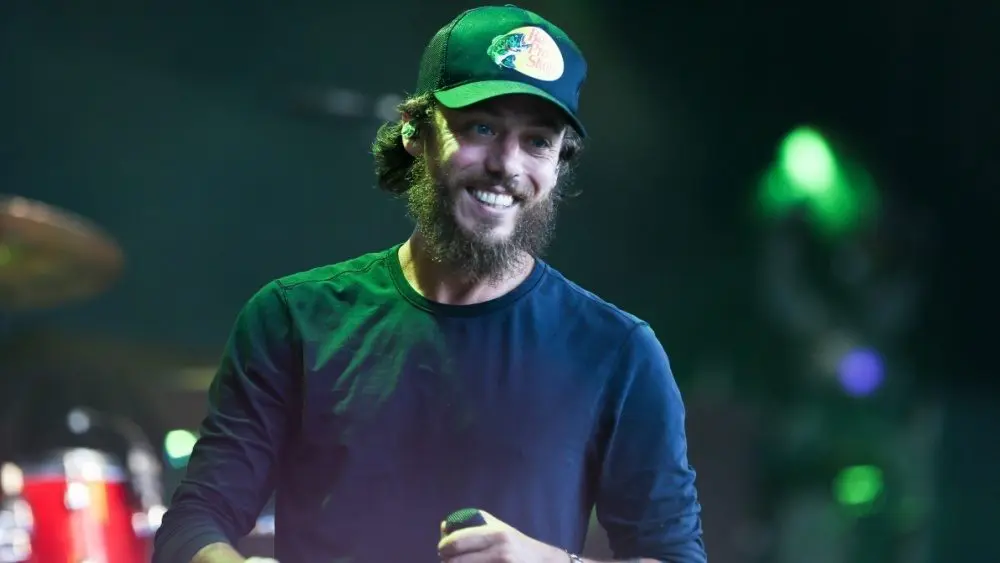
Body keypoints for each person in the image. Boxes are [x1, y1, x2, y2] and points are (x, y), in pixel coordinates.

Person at [152, 5, 706, 563]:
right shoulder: (293, 317)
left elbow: (674, 555)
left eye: (538, 141)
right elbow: (194, 522)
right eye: (482, 128)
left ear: (560, 162)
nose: (507, 164)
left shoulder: (618, 352)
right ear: (415, 131)